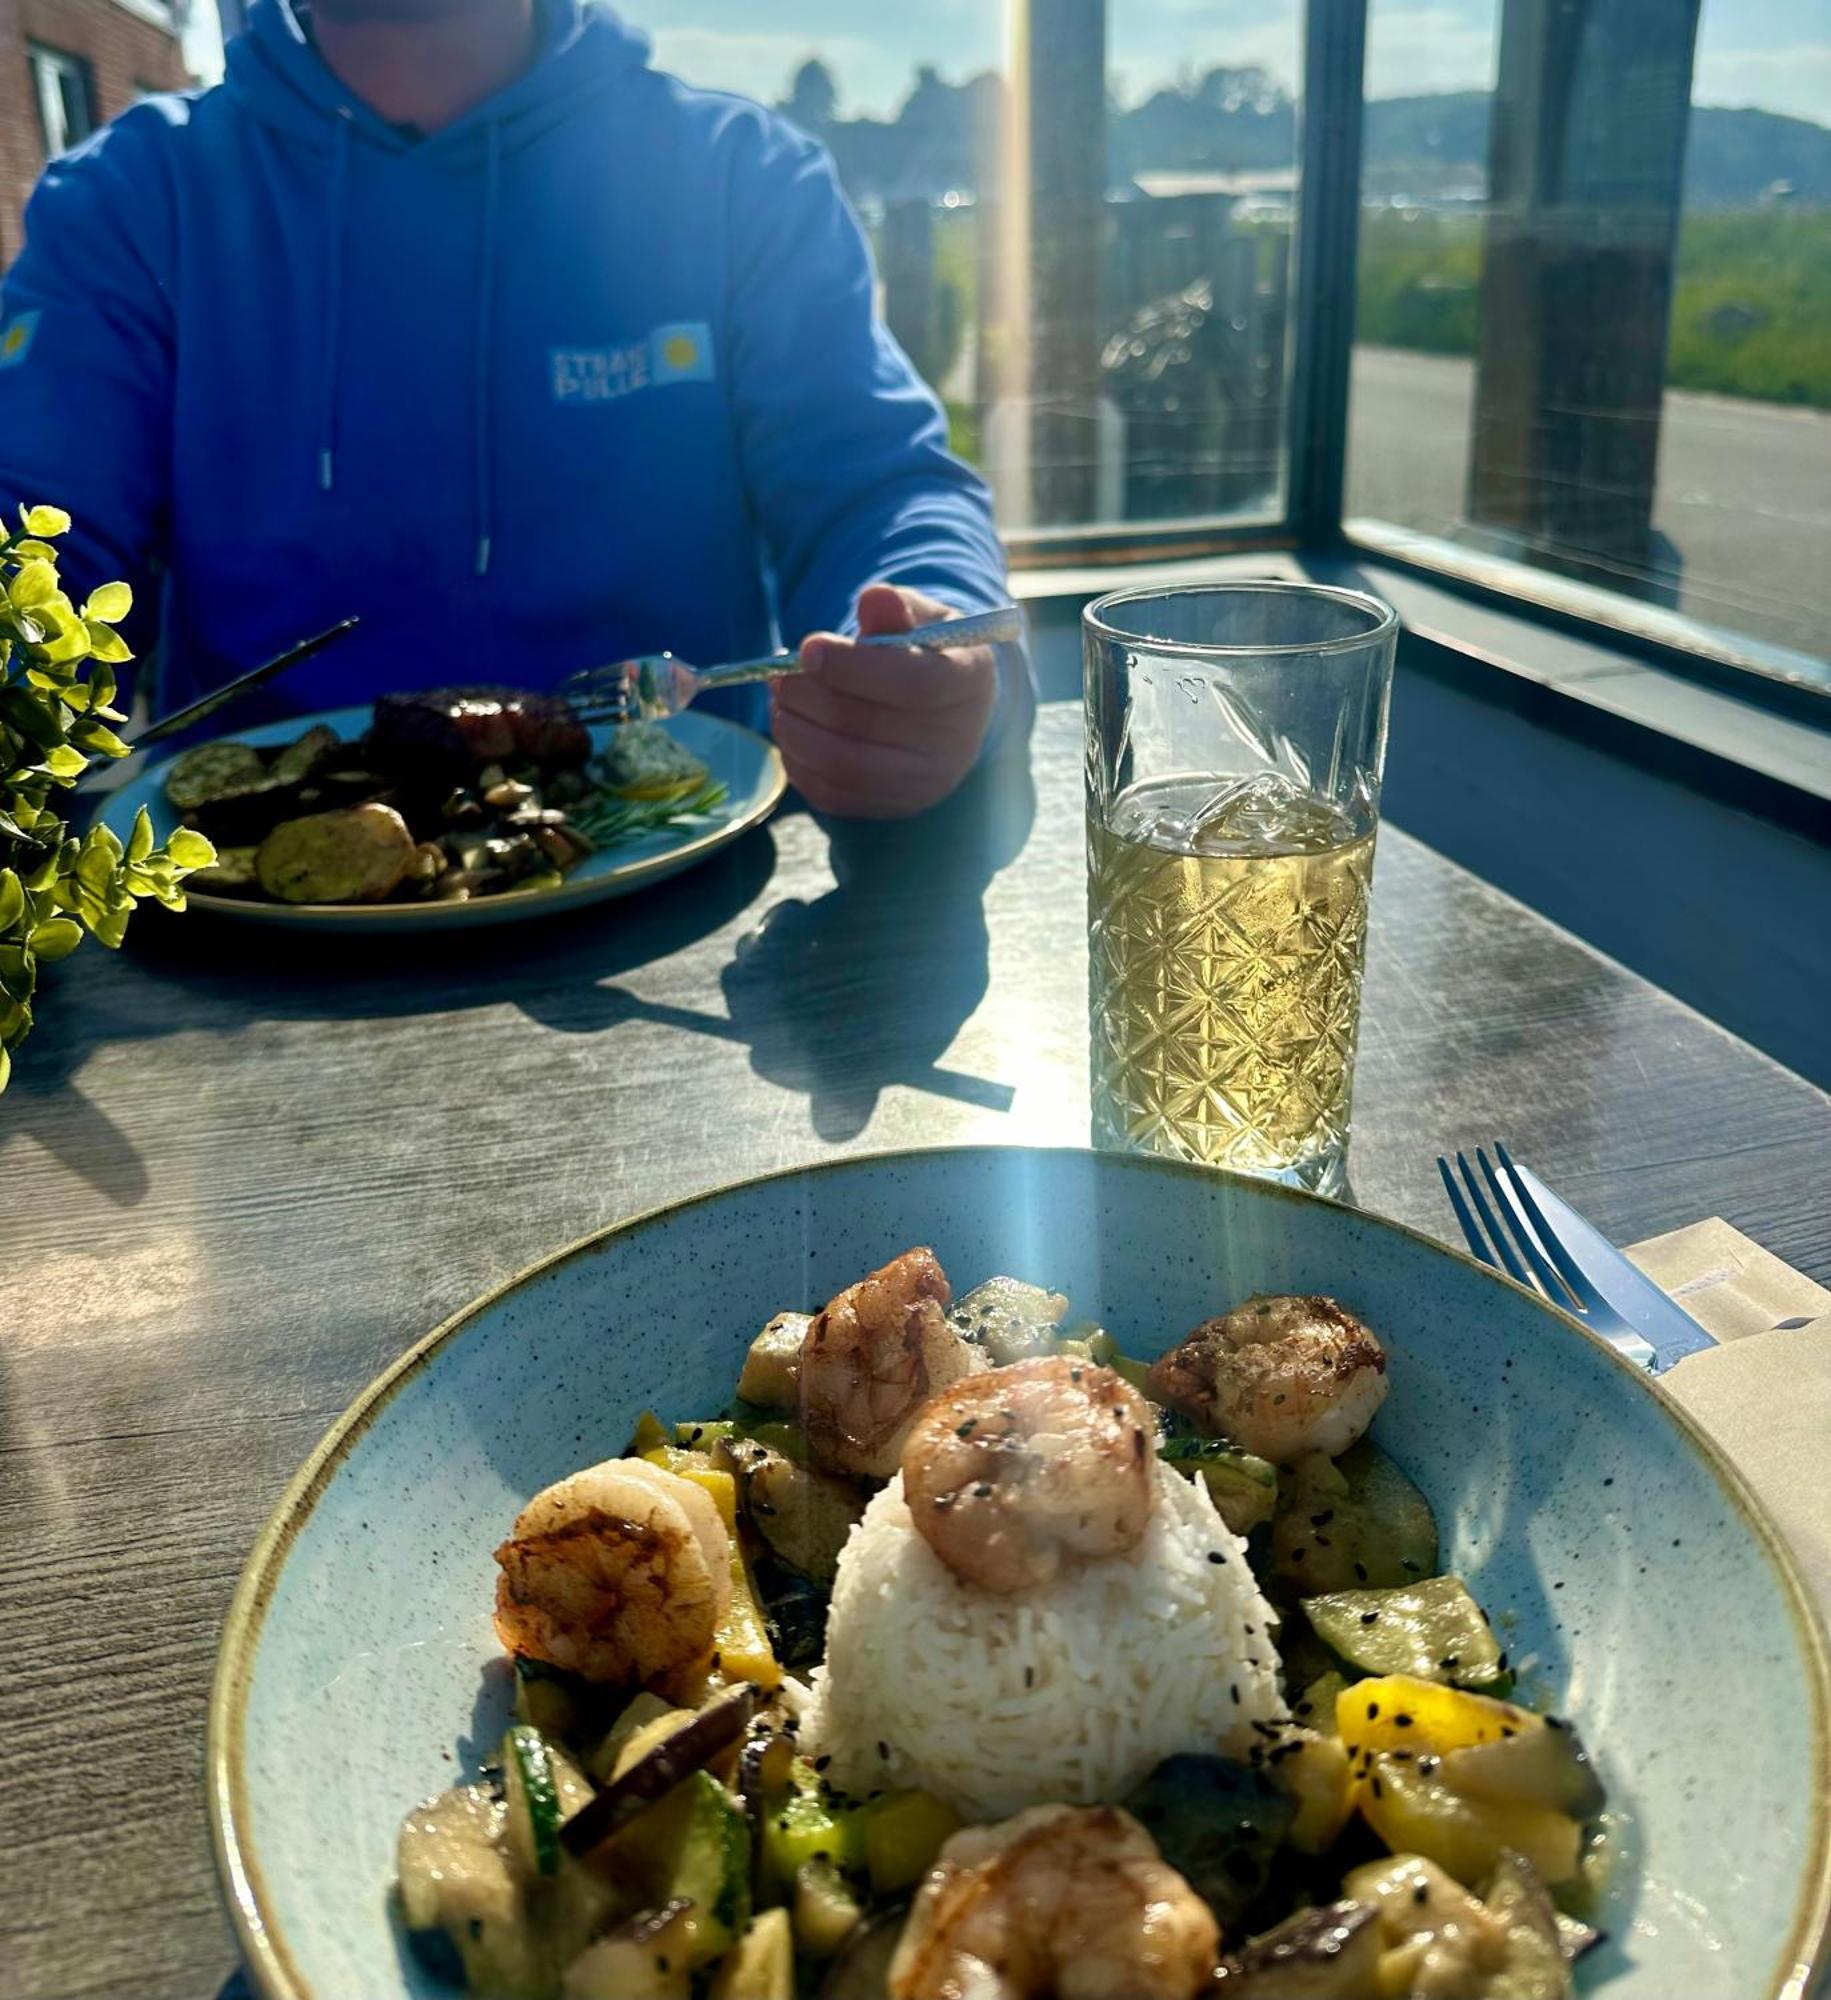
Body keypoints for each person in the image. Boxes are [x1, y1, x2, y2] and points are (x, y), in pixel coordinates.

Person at [0, 0, 1020, 818]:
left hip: (683, 879)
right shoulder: (131, 203)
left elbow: (877, 489)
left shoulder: (734, 179)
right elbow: (39, 548)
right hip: (239, 932)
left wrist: (921, 664)